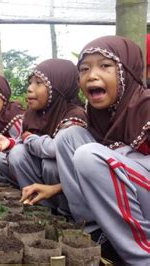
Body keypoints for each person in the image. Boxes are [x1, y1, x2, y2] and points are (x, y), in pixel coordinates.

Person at [50, 36, 149, 264]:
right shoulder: (98, 113)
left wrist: (121, 154)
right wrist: (57, 187)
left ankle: (141, 257)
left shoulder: (145, 105)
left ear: (127, 72)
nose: (92, 75)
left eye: (105, 66)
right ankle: (97, 232)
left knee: (90, 155)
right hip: (134, 190)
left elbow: (105, 162)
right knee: (69, 137)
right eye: (84, 69)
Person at [7, 59, 87, 214]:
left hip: (72, 183)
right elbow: (22, 138)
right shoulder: (33, 114)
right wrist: (10, 143)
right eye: (30, 83)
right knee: (16, 153)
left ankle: (67, 212)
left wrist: (30, 139)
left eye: (38, 83)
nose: (30, 89)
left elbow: (54, 149)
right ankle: (41, 206)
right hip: (43, 172)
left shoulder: (74, 113)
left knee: (51, 165)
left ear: (58, 88)